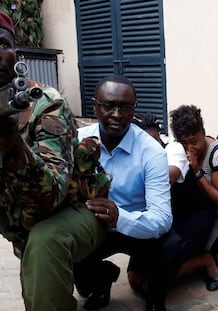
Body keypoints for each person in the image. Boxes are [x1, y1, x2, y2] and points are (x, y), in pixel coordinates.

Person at [0, 7, 108, 311]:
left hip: (78, 210)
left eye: (2, 44)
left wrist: (16, 152)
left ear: (17, 55)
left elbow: (51, 196)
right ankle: (96, 278)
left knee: (43, 252)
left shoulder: (46, 103)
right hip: (25, 224)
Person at [74, 75, 172, 311]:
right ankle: (103, 278)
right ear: (95, 106)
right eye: (108, 106)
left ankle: (156, 298)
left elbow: (162, 217)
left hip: (137, 227)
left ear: (133, 109)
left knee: (166, 246)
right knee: (83, 285)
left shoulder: (151, 152)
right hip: (94, 226)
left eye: (125, 107)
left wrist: (121, 218)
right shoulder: (76, 141)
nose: (117, 114)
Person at [168, 105, 218, 291]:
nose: (190, 148)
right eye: (184, 143)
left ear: (203, 132)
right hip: (193, 209)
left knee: (181, 261)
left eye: (194, 141)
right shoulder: (178, 151)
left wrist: (197, 170)